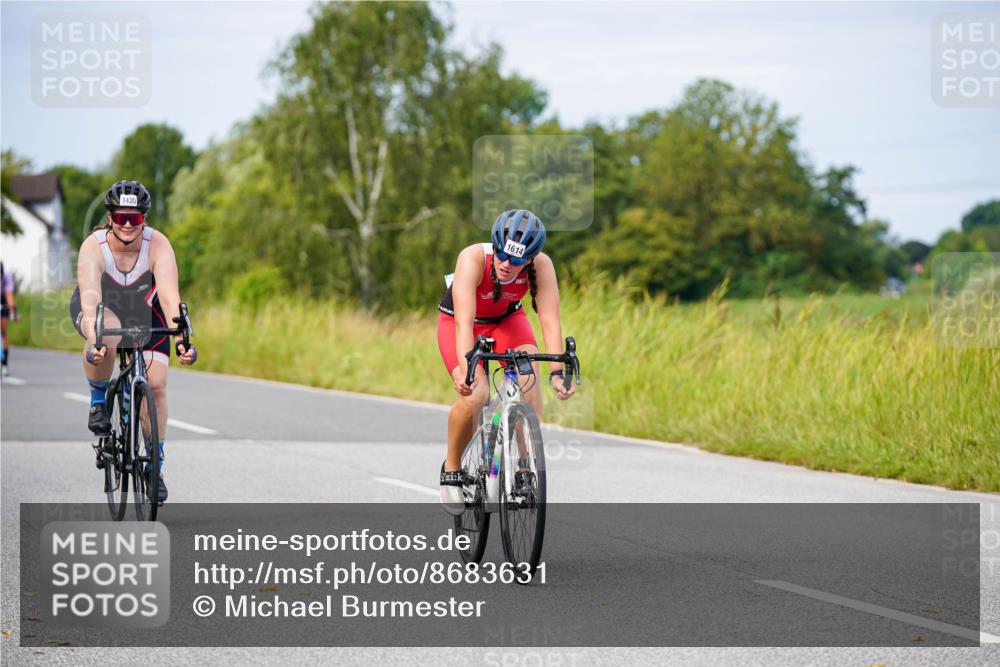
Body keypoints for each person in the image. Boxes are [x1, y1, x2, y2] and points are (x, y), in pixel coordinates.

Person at [436, 209, 576, 514]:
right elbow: (463, 322)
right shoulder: (473, 258)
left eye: (515, 260)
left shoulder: (542, 266)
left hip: (507, 319)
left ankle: (525, 470)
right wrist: (466, 368)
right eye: (501, 255)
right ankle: (452, 465)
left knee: (528, 379)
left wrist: (556, 372)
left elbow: (549, 320)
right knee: (477, 395)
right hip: (462, 323)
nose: (505, 264)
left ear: (529, 258)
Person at [69, 180, 198, 503]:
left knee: (155, 385)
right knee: (105, 332)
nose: (128, 225)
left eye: (135, 219)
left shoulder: (158, 245)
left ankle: (155, 465)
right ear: (110, 217)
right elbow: (90, 297)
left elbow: (169, 298)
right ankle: (99, 399)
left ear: (144, 219)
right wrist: (96, 337)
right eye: (121, 217)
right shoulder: (93, 246)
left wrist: (181, 338)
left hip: (145, 310)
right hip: (102, 306)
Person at [1, 261, 15, 376]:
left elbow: (9, 295)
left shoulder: (7, 278)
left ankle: (4, 364)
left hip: (3, 300)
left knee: (4, 331)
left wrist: (12, 313)